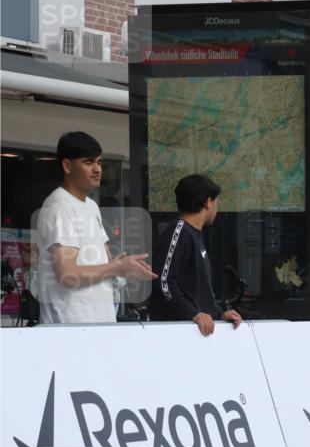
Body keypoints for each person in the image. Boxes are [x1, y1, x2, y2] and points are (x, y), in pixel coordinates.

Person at [35, 132, 156, 324]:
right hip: (70, 327)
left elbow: (104, 261)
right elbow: (67, 275)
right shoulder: (59, 207)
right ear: (67, 166)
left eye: (99, 162)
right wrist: (116, 267)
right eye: (89, 162)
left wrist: (123, 266)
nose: (98, 169)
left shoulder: (91, 206)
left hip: (98, 323)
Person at [151, 174, 242, 336]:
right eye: (216, 202)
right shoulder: (178, 232)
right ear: (208, 202)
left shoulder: (193, 234)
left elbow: (196, 290)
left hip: (197, 336)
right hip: (178, 335)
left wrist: (219, 312)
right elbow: (162, 280)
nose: (216, 209)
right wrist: (192, 313)